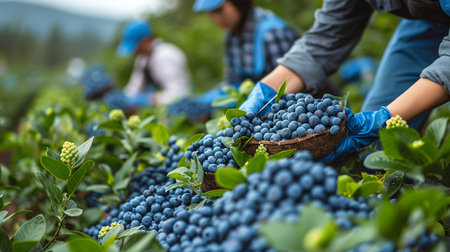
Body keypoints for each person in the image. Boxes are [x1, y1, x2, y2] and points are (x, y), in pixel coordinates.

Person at [239, 0, 450, 161]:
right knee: (376, 152)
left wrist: (383, 117)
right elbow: (323, 42)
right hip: (427, 22)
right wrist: (265, 91)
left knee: (384, 126)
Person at [193, 0, 340, 105]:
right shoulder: (232, 38)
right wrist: (209, 99)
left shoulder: (271, 32)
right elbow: (234, 81)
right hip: (267, 105)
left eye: (218, 10)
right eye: (210, 13)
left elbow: (292, 83)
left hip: (313, 107)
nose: (215, 18)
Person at [117, 20, 190, 106]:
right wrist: (124, 98)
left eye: (135, 46)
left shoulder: (166, 55)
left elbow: (179, 93)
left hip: (178, 105)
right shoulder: (142, 59)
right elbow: (134, 87)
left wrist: (150, 99)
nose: (133, 51)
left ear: (145, 40)